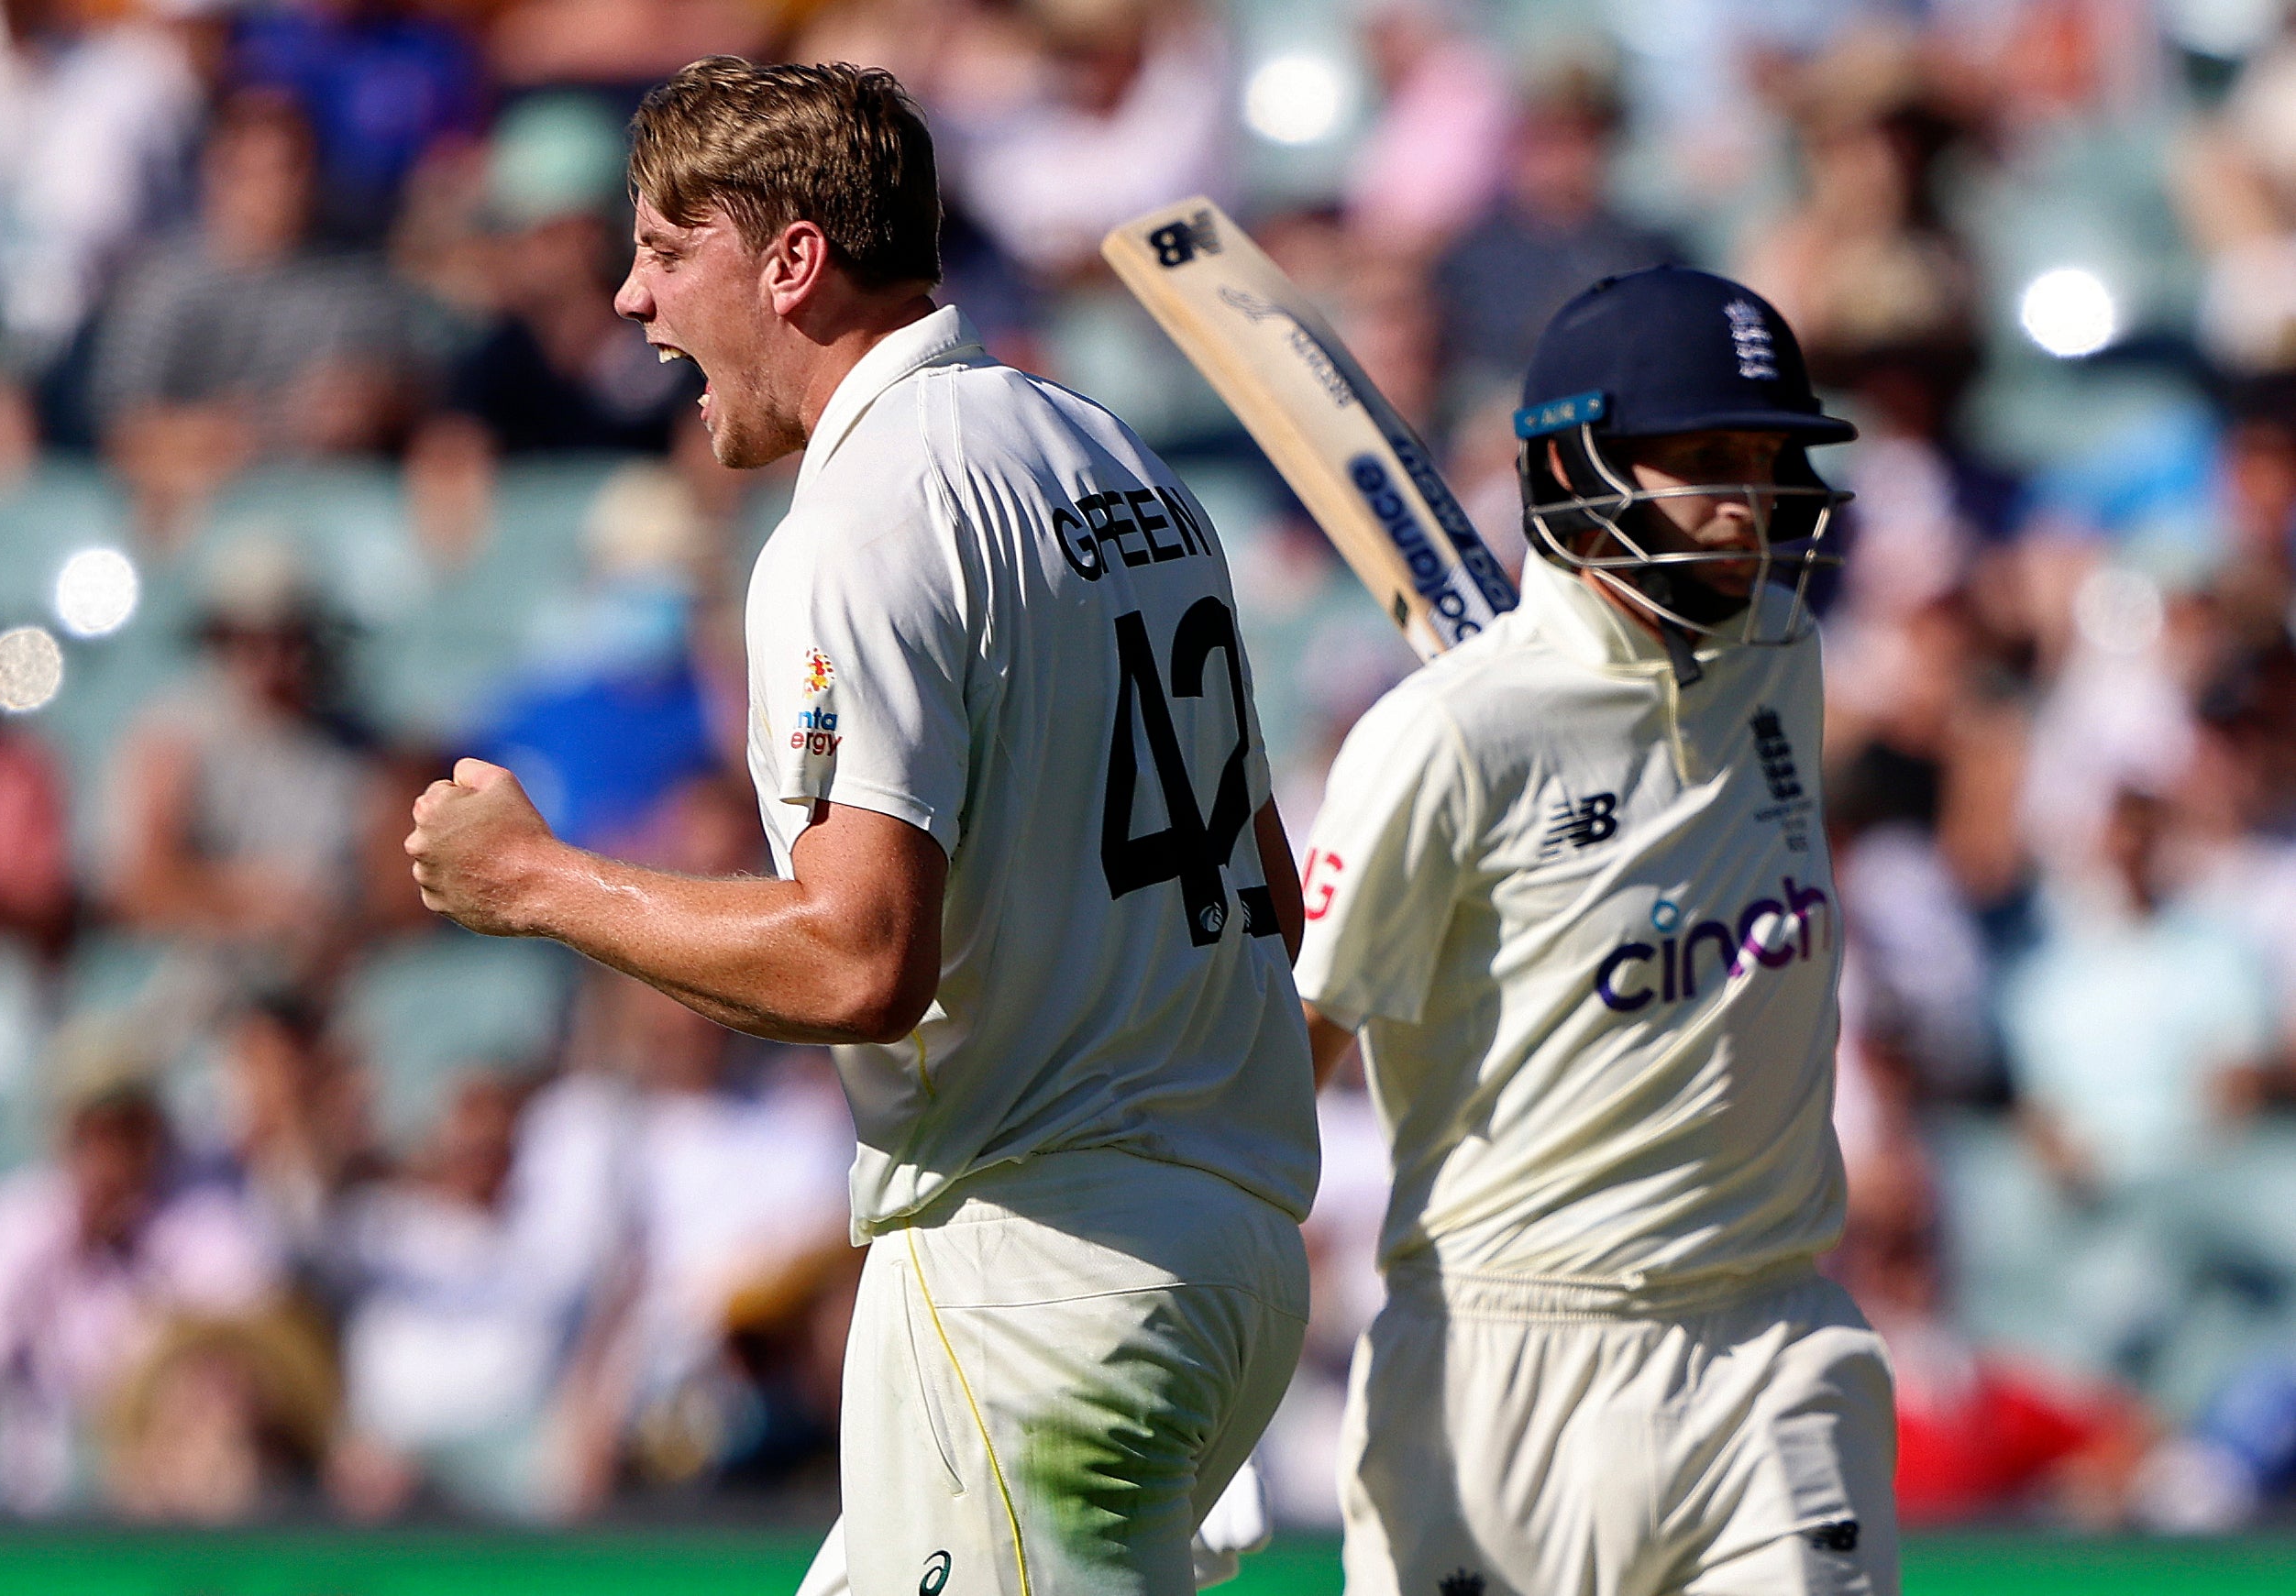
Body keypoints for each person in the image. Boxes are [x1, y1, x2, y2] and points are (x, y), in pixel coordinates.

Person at [403, 59, 1317, 1596]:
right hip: (1218, 1251)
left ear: (793, 260)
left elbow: (859, 958)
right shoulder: (1117, 458)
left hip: (1045, 1267)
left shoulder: (864, 516)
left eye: (663, 249)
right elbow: (1270, 887)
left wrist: (540, 883)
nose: (628, 299)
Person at [1295, 266, 1898, 1596]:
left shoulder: (1781, 654)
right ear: (1575, 463)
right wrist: (1204, 1382)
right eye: (1704, 461)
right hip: (1505, 1364)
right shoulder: (1450, 737)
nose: (1748, 507)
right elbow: (1282, 1064)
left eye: (1767, 460)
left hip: (1773, 1349)